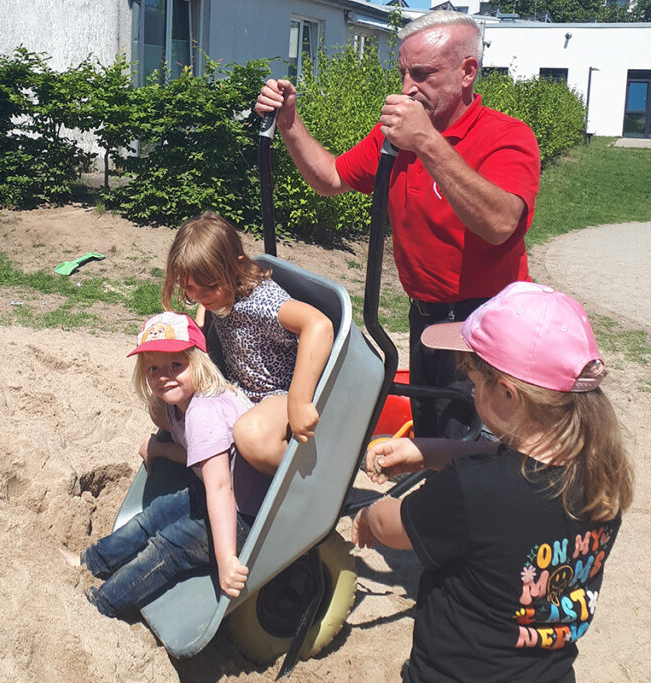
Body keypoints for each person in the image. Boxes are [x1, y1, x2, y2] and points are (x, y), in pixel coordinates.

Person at [255, 10, 541, 439]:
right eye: (404, 72)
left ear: (467, 72)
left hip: (489, 323)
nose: (408, 87)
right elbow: (330, 178)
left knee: (479, 448)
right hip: (426, 317)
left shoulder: (506, 136)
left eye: (423, 74)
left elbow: (499, 223)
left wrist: (426, 141)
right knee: (431, 434)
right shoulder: (394, 137)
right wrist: (289, 123)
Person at [352, 282, 634, 681]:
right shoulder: (602, 473)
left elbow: (394, 527)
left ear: (507, 394)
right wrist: (428, 451)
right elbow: (509, 467)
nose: (472, 392)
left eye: (474, 383)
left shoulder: (471, 490)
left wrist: (370, 514)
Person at [61, 311, 273, 618]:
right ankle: (89, 562)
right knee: (153, 516)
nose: (165, 376)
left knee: (168, 547)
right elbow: (199, 455)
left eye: (176, 365)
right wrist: (159, 449)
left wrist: (227, 558)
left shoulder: (204, 411)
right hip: (213, 494)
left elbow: (220, 487)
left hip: (246, 516)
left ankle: (102, 604)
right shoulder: (179, 403)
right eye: (154, 368)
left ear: (199, 362)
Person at [160, 211, 334, 475]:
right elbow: (205, 303)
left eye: (210, 286)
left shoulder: (262, 302)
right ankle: (221, 466)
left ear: (237, 266)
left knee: (251, 436)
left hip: (278, 394)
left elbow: (319, 326)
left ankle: (308, 479)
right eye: (190, 288)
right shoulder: (221, 294)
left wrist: (299, 401)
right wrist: (201, 325)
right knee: (163, 406)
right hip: (241, 391)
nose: (200, 296)